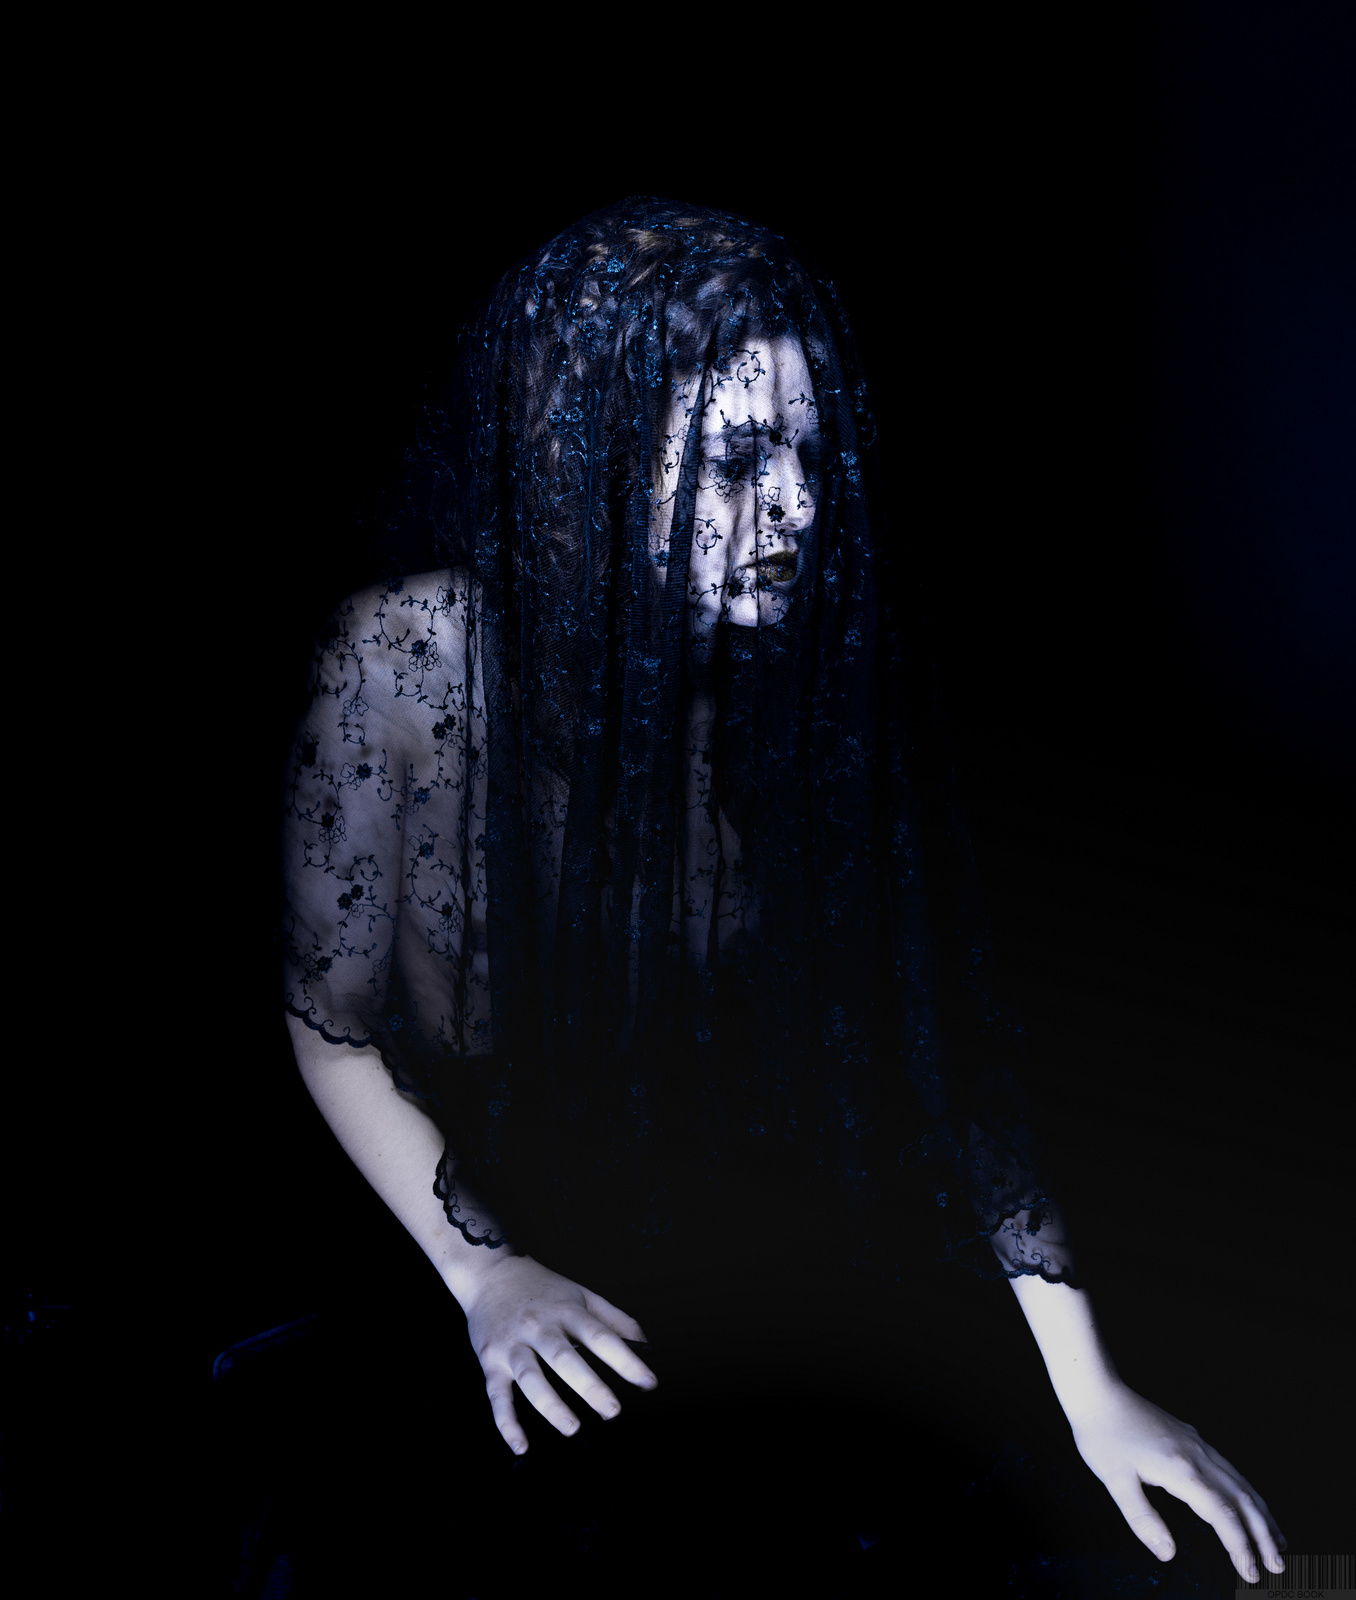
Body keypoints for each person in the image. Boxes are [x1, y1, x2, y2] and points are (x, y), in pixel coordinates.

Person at [279, 197, 1286, 1588]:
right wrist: (483, 1275)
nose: (802, 508)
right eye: (744, 458)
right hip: (436, 1239)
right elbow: (331, 1027)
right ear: (591, 461)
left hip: (699, 1240)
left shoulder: (794, 688)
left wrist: (1091, 1387)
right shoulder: (402, 664)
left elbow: (942, 1043)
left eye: (814, 455)